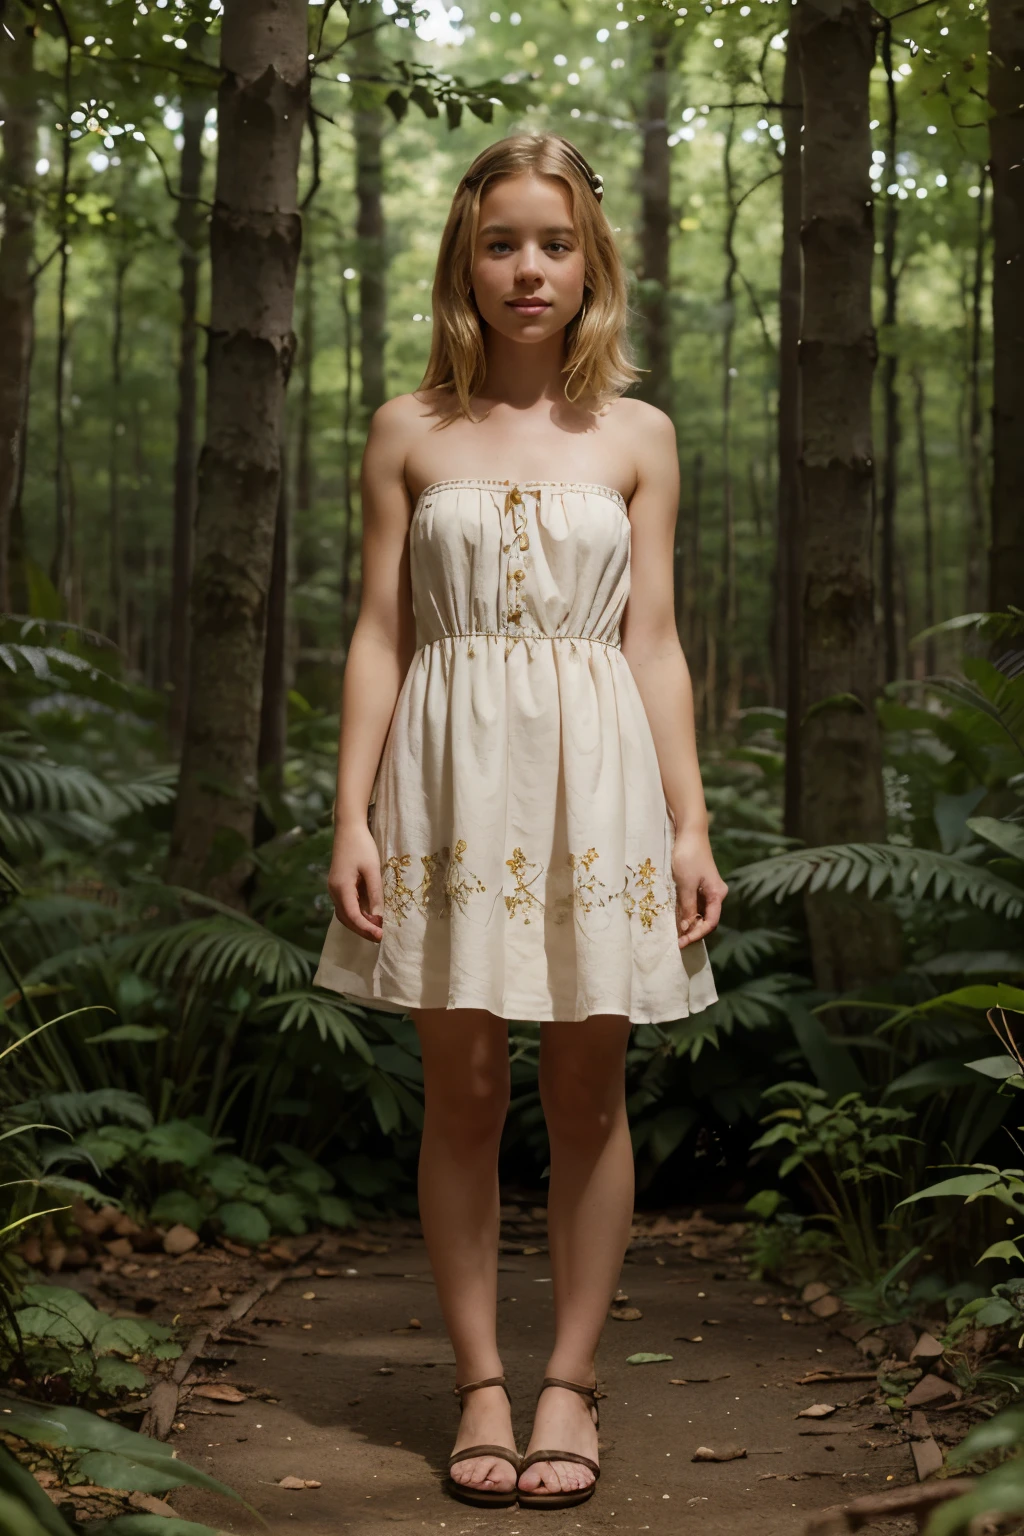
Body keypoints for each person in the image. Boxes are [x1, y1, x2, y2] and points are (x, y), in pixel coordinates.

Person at [313, 133, 727, 1511]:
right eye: (502, 243)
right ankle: (481, 1379)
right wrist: (350, 812)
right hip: (444, 774)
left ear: (590, 261)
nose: (529, 269)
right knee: (467, 1088)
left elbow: (656, 641)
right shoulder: (405, 428)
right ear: (465, 260)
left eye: (554, 243)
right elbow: (379, 631)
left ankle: (573, 1384)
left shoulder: (639, 435)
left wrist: (690, 823)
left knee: (588, 1090)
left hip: (596, 771)